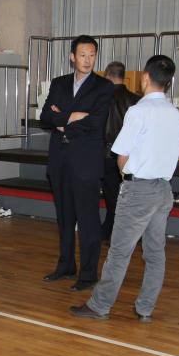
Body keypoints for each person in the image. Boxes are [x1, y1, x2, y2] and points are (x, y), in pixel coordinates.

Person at [70, 55, 179, 323]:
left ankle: (100, 305)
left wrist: (126, 175)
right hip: (163, 190)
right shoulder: (176, 115)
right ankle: (145, 308)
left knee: (119, 252)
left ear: (145, 78)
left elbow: (121, 154)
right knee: (155, 254)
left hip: (139, 189)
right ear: (168, 83)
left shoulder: (139, 111)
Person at [39, 35, 114, 291]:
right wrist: (73, 117)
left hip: (85, 162)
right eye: (82, 55)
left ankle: (89, 273)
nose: (87, 60)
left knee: (88, 218)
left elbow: (96, 123)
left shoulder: (104, 87)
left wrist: (63, 120)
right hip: (60, 160)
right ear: (72, 57)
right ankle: (66, 265)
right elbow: (45, 116)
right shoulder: (59, 83)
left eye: (92, 55)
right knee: (64, 217)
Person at [101, 61, 141, 243]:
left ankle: (112, 233)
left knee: (111, 197)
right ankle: (113, 232)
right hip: (130, 155)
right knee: (126, 197)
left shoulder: (100, 99)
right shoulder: (136, 100)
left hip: (106, 154)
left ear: (107, 75)